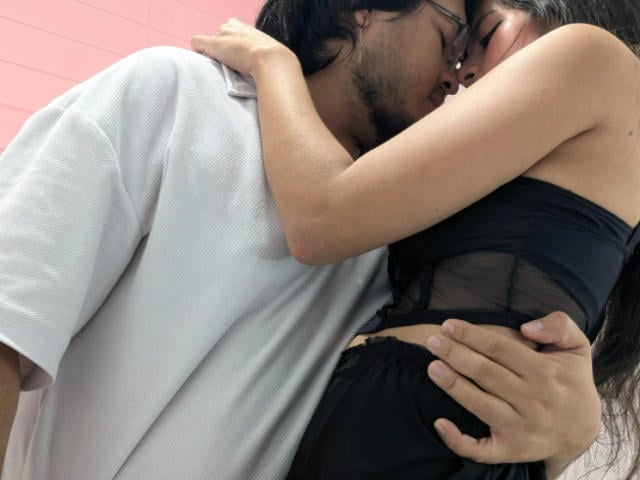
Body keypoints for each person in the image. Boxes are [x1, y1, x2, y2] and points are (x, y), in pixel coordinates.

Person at [0, 1, 600, 479]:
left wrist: (565, 435)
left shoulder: (411, 235)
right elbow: (10, 324)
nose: (456, 75)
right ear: (361, 10)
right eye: (450, 38)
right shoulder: (176, 97)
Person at [191, 0, 640, 478]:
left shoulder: (590, 52)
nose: (464, 73)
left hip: (425, 430)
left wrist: (272, 63)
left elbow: (320, 218)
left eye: (486, 36)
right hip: (419, 426)